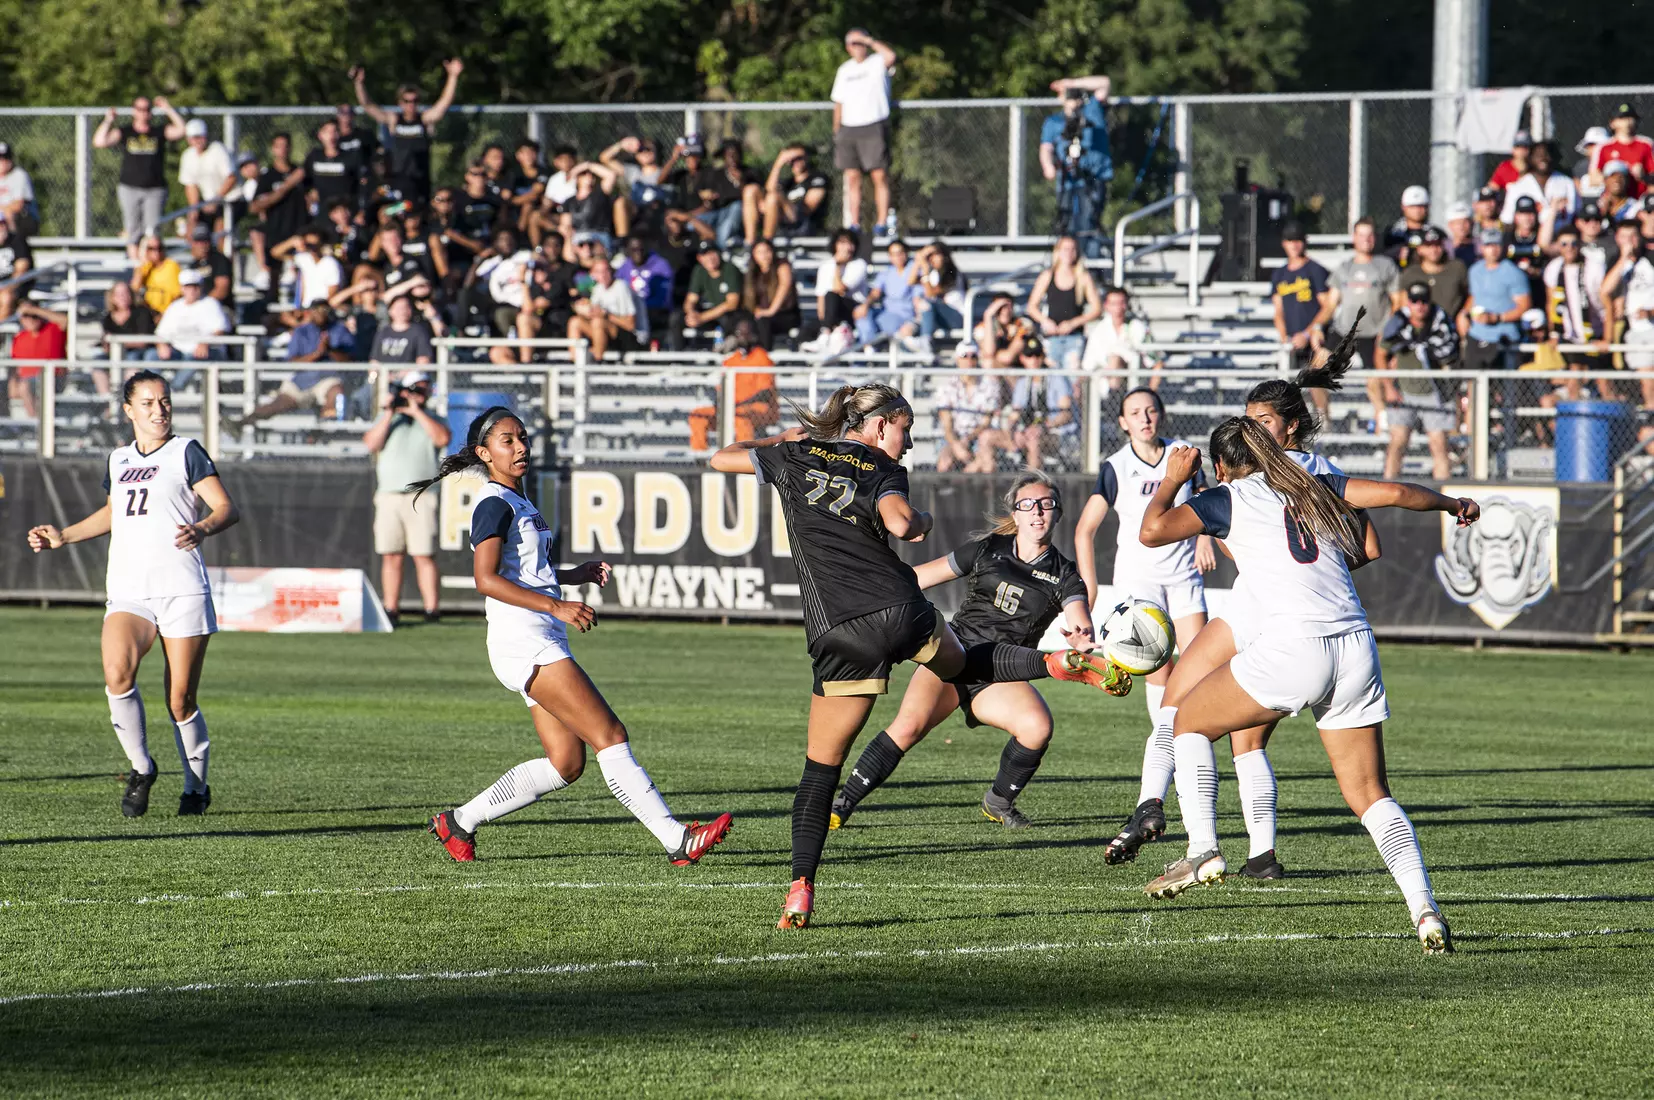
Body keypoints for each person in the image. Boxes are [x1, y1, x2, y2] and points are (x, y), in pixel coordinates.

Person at [708, 383, 1121, 928]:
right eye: (905, 431)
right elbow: (902, 523)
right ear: (881, 426)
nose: (908, 445)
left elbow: (720, 457)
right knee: (963, 664)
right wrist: (922, 519)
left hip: (838, 630)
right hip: (901, 610)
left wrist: (785, 438)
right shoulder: (881, 465)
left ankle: (800, 888)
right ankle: (1053, 665)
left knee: (819, 771)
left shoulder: (794, 453)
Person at [1136, 416, 1479, 955]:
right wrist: (1449, 503)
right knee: (1370, 795)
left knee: (1186, 721)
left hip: (1296, 645)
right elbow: (1393, 493)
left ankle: (1202, 848)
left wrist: (1174, 476)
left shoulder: (1227, 496)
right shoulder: (1313, 481)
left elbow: (1150, 531)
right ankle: (1424, 908)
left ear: (1223, 465)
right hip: (1356, 644)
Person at [1101, 346, 1377, 876]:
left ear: (1292, 428)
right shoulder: (1316, 473)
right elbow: (1369, 548)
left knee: (1180, 704)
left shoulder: (1277, 478)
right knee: (1244, 738)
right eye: (1248, 421)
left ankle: (1157, 811)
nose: (1252, 430)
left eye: (1264, 422)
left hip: (1267, 606)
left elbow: (1154, 530)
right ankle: (1262, 854)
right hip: (1299, 611)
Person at [417, 408, 735, 865]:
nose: (521, 446)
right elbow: (485, 579)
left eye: (522, 437)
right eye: (507, 441)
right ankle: (676, 840)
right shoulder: (493, 503)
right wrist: (557, 605)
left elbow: (526, 571)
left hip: (534, 635)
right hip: (524, 638)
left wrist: (572, 574)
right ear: (485, 454)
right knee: (610, 733)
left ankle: (459, 821)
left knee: (566, 763)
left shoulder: (518, 501)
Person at [830, 471, 1098, 831]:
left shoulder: (1065, 574)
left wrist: (1081, 638)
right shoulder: (988, 549)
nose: (1037, 512)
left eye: (1046, 505)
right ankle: (842, 804)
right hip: (953, 654)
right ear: (1015, 514)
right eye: (1028, 505)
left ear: (1058, 513)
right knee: (908, 727)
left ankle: (998, 802)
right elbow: (918, 578)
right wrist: (873, 588)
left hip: (1001, 672)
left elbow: (1079, 616)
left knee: (1037, 727)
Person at [27, 371, 239, 817]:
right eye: (147, 403)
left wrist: (203, 526)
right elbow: (112, 512)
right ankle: (142, 768)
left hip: (181, 589)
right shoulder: (118, 458)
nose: (158, 410)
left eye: (164, 401)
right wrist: (63, 535)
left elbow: (225, 508)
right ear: (128, 410)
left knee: (179, 700)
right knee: (116, 674)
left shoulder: (187, 451)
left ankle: (195, 787)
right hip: (129, 589)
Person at [1074, 386, 1216, 800]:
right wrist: (1092, 586)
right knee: (1160, 671)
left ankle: (1189, 745)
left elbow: (1209, 504)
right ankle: (1168, 753)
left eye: (1151, 410)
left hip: (1185, 575)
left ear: (1162, 415)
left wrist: (1206, 537)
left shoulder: (1184, 454)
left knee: (1200, 667)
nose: (1145, 418)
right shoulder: (1116, 466)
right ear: (1122, 422)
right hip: (1141, 584)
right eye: (1135, 412)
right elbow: (1085, 530)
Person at [363, 370, 449, 626]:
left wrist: (416, 412)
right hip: (390, 494)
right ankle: (391, 608)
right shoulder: (389, 418)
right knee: (391, 554)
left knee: (424, 554)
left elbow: (442, 438)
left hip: (421, 496)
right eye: (415, 389)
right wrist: (390, 412)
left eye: (423, 389)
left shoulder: (433, 418)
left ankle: (431, 610)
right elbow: (370, 443)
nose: (420, 394)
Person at [1376, 282, 1461, 479]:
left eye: (1424, 301)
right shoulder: (1398, 324)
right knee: (1397, 442)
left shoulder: (1442, 324)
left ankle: (1443, 496)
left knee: (1439, 445)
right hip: (1403, 393)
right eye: (1415, 301)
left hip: (1435, 393)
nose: (1419, 306)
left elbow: (1453, 355)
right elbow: (1380, 354)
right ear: (1408, 303)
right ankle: (1389, 490)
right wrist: (1388, 386)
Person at [1326, 217, 1402, 429]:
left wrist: (1389, 330)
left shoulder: (1385, 265)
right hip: (1345, 331)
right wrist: (1313, 328)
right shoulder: (1344, 268)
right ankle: (1323, 420)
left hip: (1375, 332)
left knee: (1375, 379)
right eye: (1361, 235)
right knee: (1315, 369)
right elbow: (1330, 304)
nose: (1366, 239)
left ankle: (1382, 424)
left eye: (1370, 235)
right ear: (1354, 238)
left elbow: (1398, 301)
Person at [352, 59, 463, 204]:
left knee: (417, 215)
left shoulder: (424, 120)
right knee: (395, 211)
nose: (411, 104)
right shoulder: (393, 120)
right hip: (396, 179)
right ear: (400, 102)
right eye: (406, 101)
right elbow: (368, 105)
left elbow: (444, 103)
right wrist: (358, 83)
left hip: (420, 181)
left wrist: (453, 76)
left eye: (415, 100)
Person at [94, 96, 187, 260]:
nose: (143, 113)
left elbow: (182, 130)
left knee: (152, 231)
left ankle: (149, 264)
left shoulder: (158, 132)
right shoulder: (126, 131)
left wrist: (167, 109)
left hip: (155, 189)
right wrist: (108, 120)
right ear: (133, 111)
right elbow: (99, 141)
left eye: (147, 109)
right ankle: (136, 266)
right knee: (132, 230)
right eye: (139, 109)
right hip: (130, 187)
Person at [830, 29, 897, 235]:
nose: (857, 46)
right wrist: (837, 129)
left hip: (873, 125)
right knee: (851, 178)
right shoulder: (844, 70)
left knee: (879, 176)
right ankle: (854, 223)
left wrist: (869, 39)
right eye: (853, 43)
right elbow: (838, 102)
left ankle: (882, 222)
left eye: (860, 43)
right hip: (849, 128)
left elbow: (891, 56)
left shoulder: (877, 62)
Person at [1039, 76, 1113, 252]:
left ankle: (1091, 267)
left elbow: (1105, 83)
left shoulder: (1092, 110)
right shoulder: (1054, 122)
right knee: (1067, 225)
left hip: (1092, 179)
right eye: (1068, 94)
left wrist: (1071, 83)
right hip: (1068, 180)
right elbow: (1046, 148)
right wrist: (1048, 166)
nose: (1072, 98)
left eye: (1075, 94)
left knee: (1088, 223)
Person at [687, 317, 777, 451]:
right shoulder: (731, 360)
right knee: (698, 415)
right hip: (730, 408)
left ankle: (744, 460)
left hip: (758, 409)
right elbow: (720, 390)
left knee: (740, 416)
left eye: (745, 333)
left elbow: (765, 393)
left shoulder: (762, 357)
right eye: (739, 333)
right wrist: (722, 404)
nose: (741, 337)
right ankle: (700, 458)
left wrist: (736, 406)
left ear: (753, 335)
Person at [1026, 234, 1102, 370]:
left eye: (1073, 249)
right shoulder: (1048, 276)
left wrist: (1073, 323)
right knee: (1053, 378)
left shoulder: (1083, 277)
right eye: (1065, 249)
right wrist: (1045, 321)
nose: (1069, 253)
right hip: (1052, 337)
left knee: (1072, 380)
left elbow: (1097, 309)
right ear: (1058, 251)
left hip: (1075, 337)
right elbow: (1031, 307)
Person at [934, 341, 1011, 473]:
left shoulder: (989, 385)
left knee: (985, 463)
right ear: (958, 359)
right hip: (954, 435)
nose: (969, 360)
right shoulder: (947, 386)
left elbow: (986, 422)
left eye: (973, 356)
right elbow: (947, 424)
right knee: (944, 463)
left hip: (979, 435)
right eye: (965, 355)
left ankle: (968, 486)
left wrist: (966, 440)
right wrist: (956, 444)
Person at [1269, 222, 1333, 372]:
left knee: (1314, 385)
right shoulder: (1279, 274)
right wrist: (1285, 338)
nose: (1294, 245)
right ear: (1284, 243)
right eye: (1290, 240)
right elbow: (1278, 312)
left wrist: (1306, 334)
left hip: (1316, 340)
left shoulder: (1315, 270)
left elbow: (1327, 307)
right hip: (1292, 342)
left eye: (1298, 240)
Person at [1082, 285, 1163, 402]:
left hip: (1134, 391)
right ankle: (1114, 402)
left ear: (1127, 305)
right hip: (1101, 395)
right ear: (1106, 306)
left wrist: (1150, 395)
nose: (1118, 308)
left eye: (1121, 303)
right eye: (1113, 303)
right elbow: (1088, 366)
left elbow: (1157, 363)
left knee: (1116, 359)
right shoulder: (1099, 331)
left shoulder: (1138, 328)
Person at [1009, 337, 1077, 469]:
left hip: (1056, 434)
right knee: (987, 437)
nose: (1034, 360)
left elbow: (1066, 414)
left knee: (1034, 441)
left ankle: (1032, 484)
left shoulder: (1057, 378)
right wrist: (1014, 432)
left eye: (1037, 355)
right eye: (1029, 355)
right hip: (1028, 432)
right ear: (1022, 358)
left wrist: (1043, 428)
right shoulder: (1022, 383)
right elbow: (1014, 416)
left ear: (1043, 357)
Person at [801, 228, 868, 355]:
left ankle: (825, 334)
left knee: (832, 295)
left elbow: (840, 288)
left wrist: (838, 266)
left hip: (852, 310)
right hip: (831, 313)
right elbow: (821, 296)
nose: (847, 247)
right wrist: (824, 320)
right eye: (842, 243)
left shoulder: (859, 264)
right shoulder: (825, 266)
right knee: (805, 331)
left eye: (850, 243)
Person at [566, 255, 641, 361]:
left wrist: (606, 315)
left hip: (629, 338)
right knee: (575, 322)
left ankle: (598, 361)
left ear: (611, 271)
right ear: (593, 274)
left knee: (598, 322)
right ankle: (574, 362)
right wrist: (583, 311)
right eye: (598, 271)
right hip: (605, 333)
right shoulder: (598, 289)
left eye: (606, 271)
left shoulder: (621, 287)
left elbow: (630, 325)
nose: (603, 275)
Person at [855, 238, 921, 350]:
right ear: (889, 256)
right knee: (862, 315)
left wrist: (915, 322)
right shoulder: (886, 272)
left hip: (903, 315)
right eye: (894, 254)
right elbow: (875, 292)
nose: (898, 257)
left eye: (900, 253)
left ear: (906, 253)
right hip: (886, 312)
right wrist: (865, 305)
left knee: (869, 327)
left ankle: (869, 348)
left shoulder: (914, 270)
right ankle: (870, 348)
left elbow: (918, 298)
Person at [7, 302, 68, 419]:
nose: (30, 319)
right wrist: (12, 383)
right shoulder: (19, 338)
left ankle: (36, 424)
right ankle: (7, 428)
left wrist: (34, 310)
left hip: (52, 378)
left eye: (34, 316)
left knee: (25, 386)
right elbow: (14, 365)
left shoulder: (52, 329)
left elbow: (64, 320)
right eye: (26, 316)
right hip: (28, 381)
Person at [679, 239, 743, 346]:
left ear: (719, 254)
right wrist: (691, 313)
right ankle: (677, 357)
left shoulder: (730, 269)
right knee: (677, 318)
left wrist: (702, 317)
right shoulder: (699, 270)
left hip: (725, 313)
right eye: (705, 255)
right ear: (699, 258)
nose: (710, 258)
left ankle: (729, 353)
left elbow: (732, 303)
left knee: (729, 319)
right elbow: (690, 299)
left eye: (712, 253)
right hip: (708, 314)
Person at [740, 238, 800, 351]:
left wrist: (770, 311)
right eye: (759, 252)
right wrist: (757, 311)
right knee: (743, 321)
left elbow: (784, 286)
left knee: (763, 321)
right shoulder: (753, 273)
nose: (764, 255)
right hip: (762, 315)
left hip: (784, 314)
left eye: (767, 251)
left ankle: (763, 357)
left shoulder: (782, 265)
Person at [177, 119, 234, 235]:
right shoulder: (188, 156)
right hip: (208, 202)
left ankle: (221, 251)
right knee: (191, 228)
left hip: (229, 199)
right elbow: (190, 185)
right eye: (194, 137)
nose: (197, 141)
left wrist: (216, 199)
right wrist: (194, 209)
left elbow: (231, 178)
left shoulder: (217, 150)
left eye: (200, 137)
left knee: (220, 231)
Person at [762, 145, 830, 239]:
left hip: (805, 223)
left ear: (807, 158)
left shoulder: (818, 179)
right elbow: (768, 191)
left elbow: (808, 209)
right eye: (791, 159)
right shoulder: (788, 183)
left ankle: (766, 241)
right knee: (752, 191)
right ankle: (751, 243)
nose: (795, 162)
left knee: (774, 196)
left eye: (799, 158)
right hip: (784, 222)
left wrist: (783, 202)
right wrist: (778, 164)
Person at [912, 240, 968, 343]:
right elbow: (911, 281)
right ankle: (921, 344)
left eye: (935, 255)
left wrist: (924, 270)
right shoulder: (933, 274)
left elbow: (930, 294)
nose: (932, 259)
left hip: (958, 318)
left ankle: (925, 341)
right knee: (908, 329)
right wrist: (918, 260)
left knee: (925, 302)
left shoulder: (953, 273)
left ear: (944, 255)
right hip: (941, 317)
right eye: (929, 256)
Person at [1590, 103, 1654, 191]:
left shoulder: (1646, 144)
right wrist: (1615, 178)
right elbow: (1593, 179)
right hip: (1615, 202)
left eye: (1630, 117)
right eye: (1622, 118)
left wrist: (1644, 176)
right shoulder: (1604, 147)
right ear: (1612, 123)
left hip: (1639, 199)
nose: (1627, 121)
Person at [131, 235, 182, 318]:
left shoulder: (172, 266)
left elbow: (178, 295)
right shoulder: (145, 267)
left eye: (160, 248)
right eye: (151, 248)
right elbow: (134, 289)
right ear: (145, 251)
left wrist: (164, 315)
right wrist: (144, 261)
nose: (156, 252)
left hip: (169, 313)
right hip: (150, 313)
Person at [0, 142, 40, 237]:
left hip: (23, 220)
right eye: (0, 159)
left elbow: (18, 205)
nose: (2, 162)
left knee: (8, 213)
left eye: (5, 158)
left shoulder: (19, 175)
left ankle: (13, 245)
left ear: (11, 160)